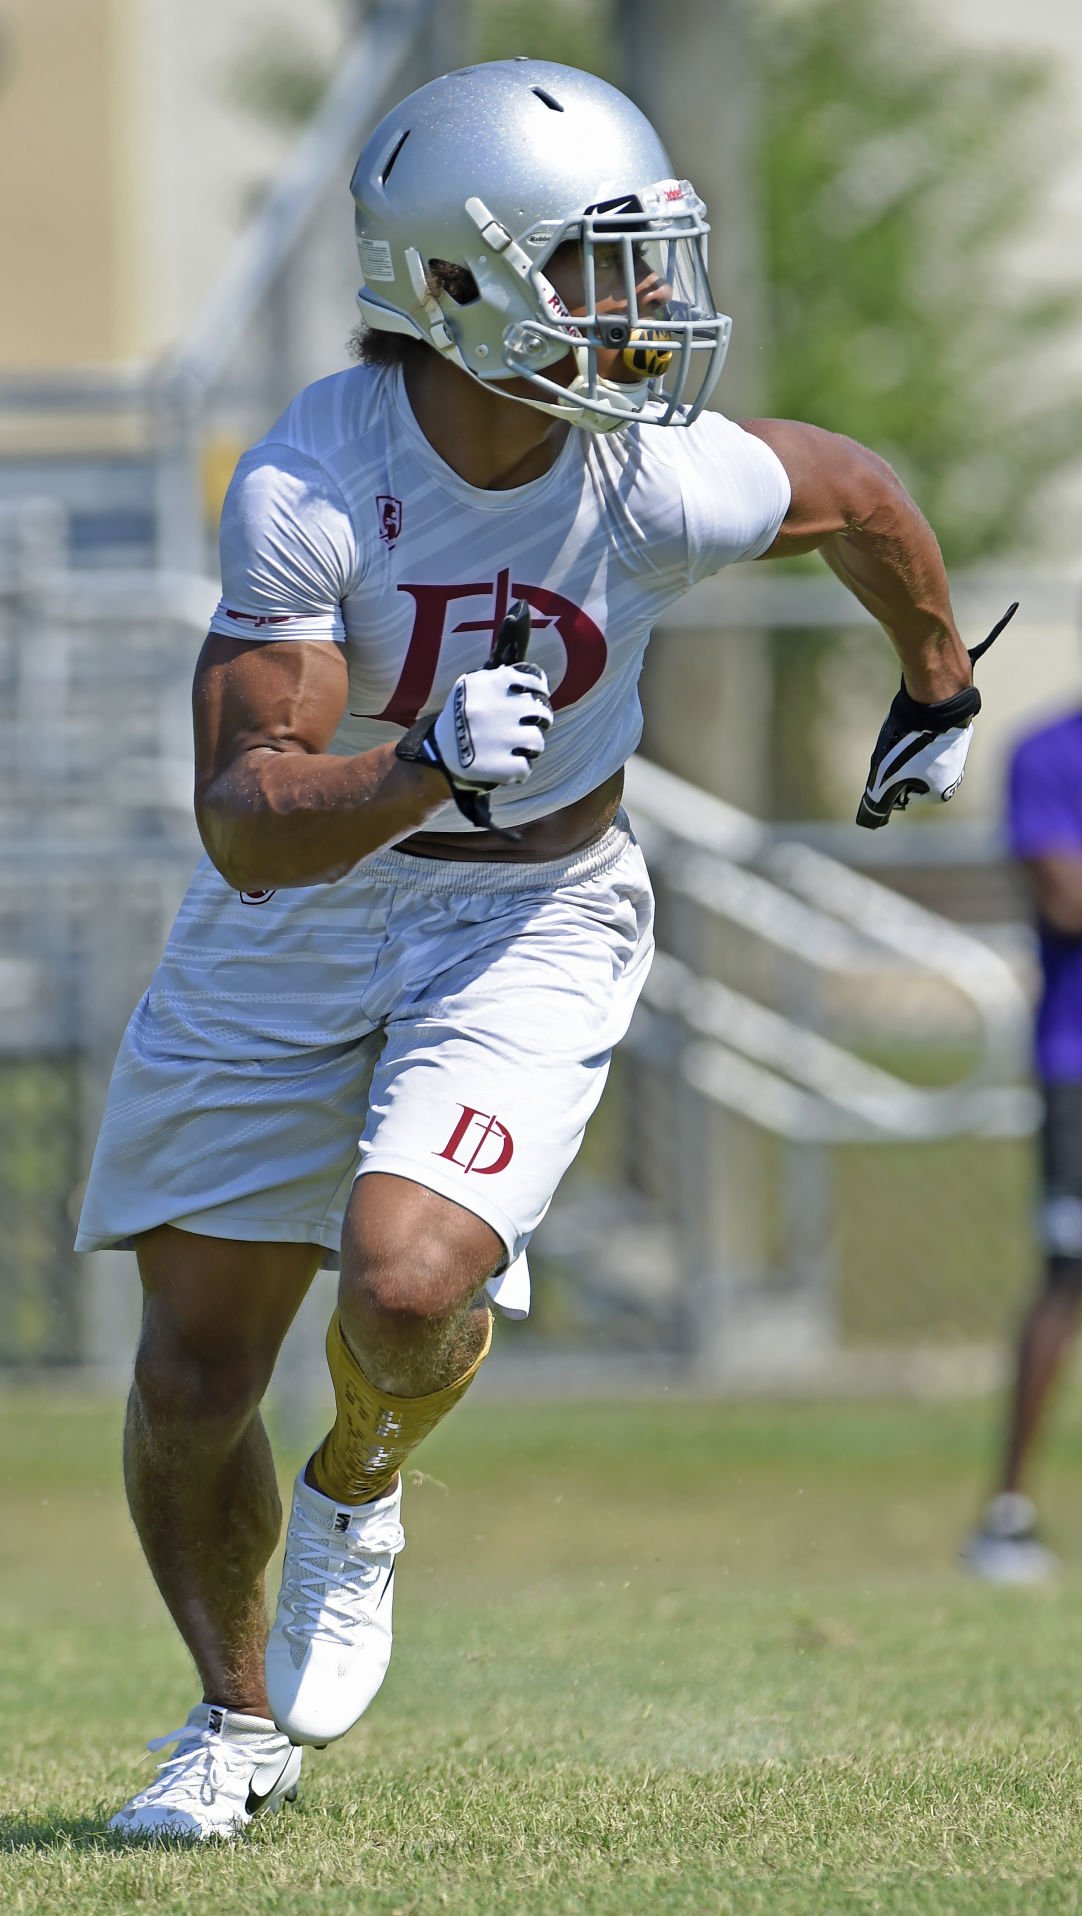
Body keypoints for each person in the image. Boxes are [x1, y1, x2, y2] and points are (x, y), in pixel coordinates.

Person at [77, 57, 995, 1840]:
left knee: (409, 1285)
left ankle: (360, 1485)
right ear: (455, 283)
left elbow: (856, 495)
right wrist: (415, 761)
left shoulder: (652, 477)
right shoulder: (310, 484)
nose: (641, 311)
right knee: (193, 1367)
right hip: (297, 914)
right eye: (595, 267)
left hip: (532, 912)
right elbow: (245, 818)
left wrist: (939, 686)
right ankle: (234, 1719)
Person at [964, 705, 1082, 1583]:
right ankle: (1006, 1515)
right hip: (1077, 1062)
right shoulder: (1047, 754)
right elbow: (1065, 898)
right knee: (1066, 1278)